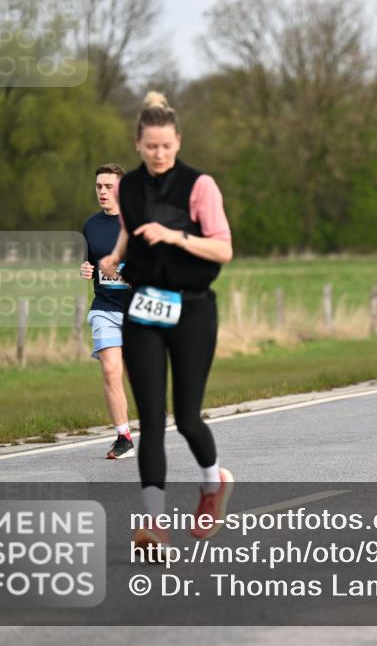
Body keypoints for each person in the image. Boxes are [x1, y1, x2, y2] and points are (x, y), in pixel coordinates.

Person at [99, 92, 234, 558]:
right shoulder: (129, 188)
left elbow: (223, 250)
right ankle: (153, 524)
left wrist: (175, 235)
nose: (158, 154)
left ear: (178, 142)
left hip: (193, 308)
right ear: (138, 143)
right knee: (151, 421)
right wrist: (115, 257)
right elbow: (129, 227)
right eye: (150, 146)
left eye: (166, 146)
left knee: (187, 418)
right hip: (143, 308)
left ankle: (212, 482)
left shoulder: (200, 186)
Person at [80, 164, 134, 459]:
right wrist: (86, 269)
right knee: (111, 370)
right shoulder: (90, 225)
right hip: (105, 309)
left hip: (138, 310)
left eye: (108, 186)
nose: (102, 191)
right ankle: (123, 436)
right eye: (99, 186)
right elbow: (90, 263)